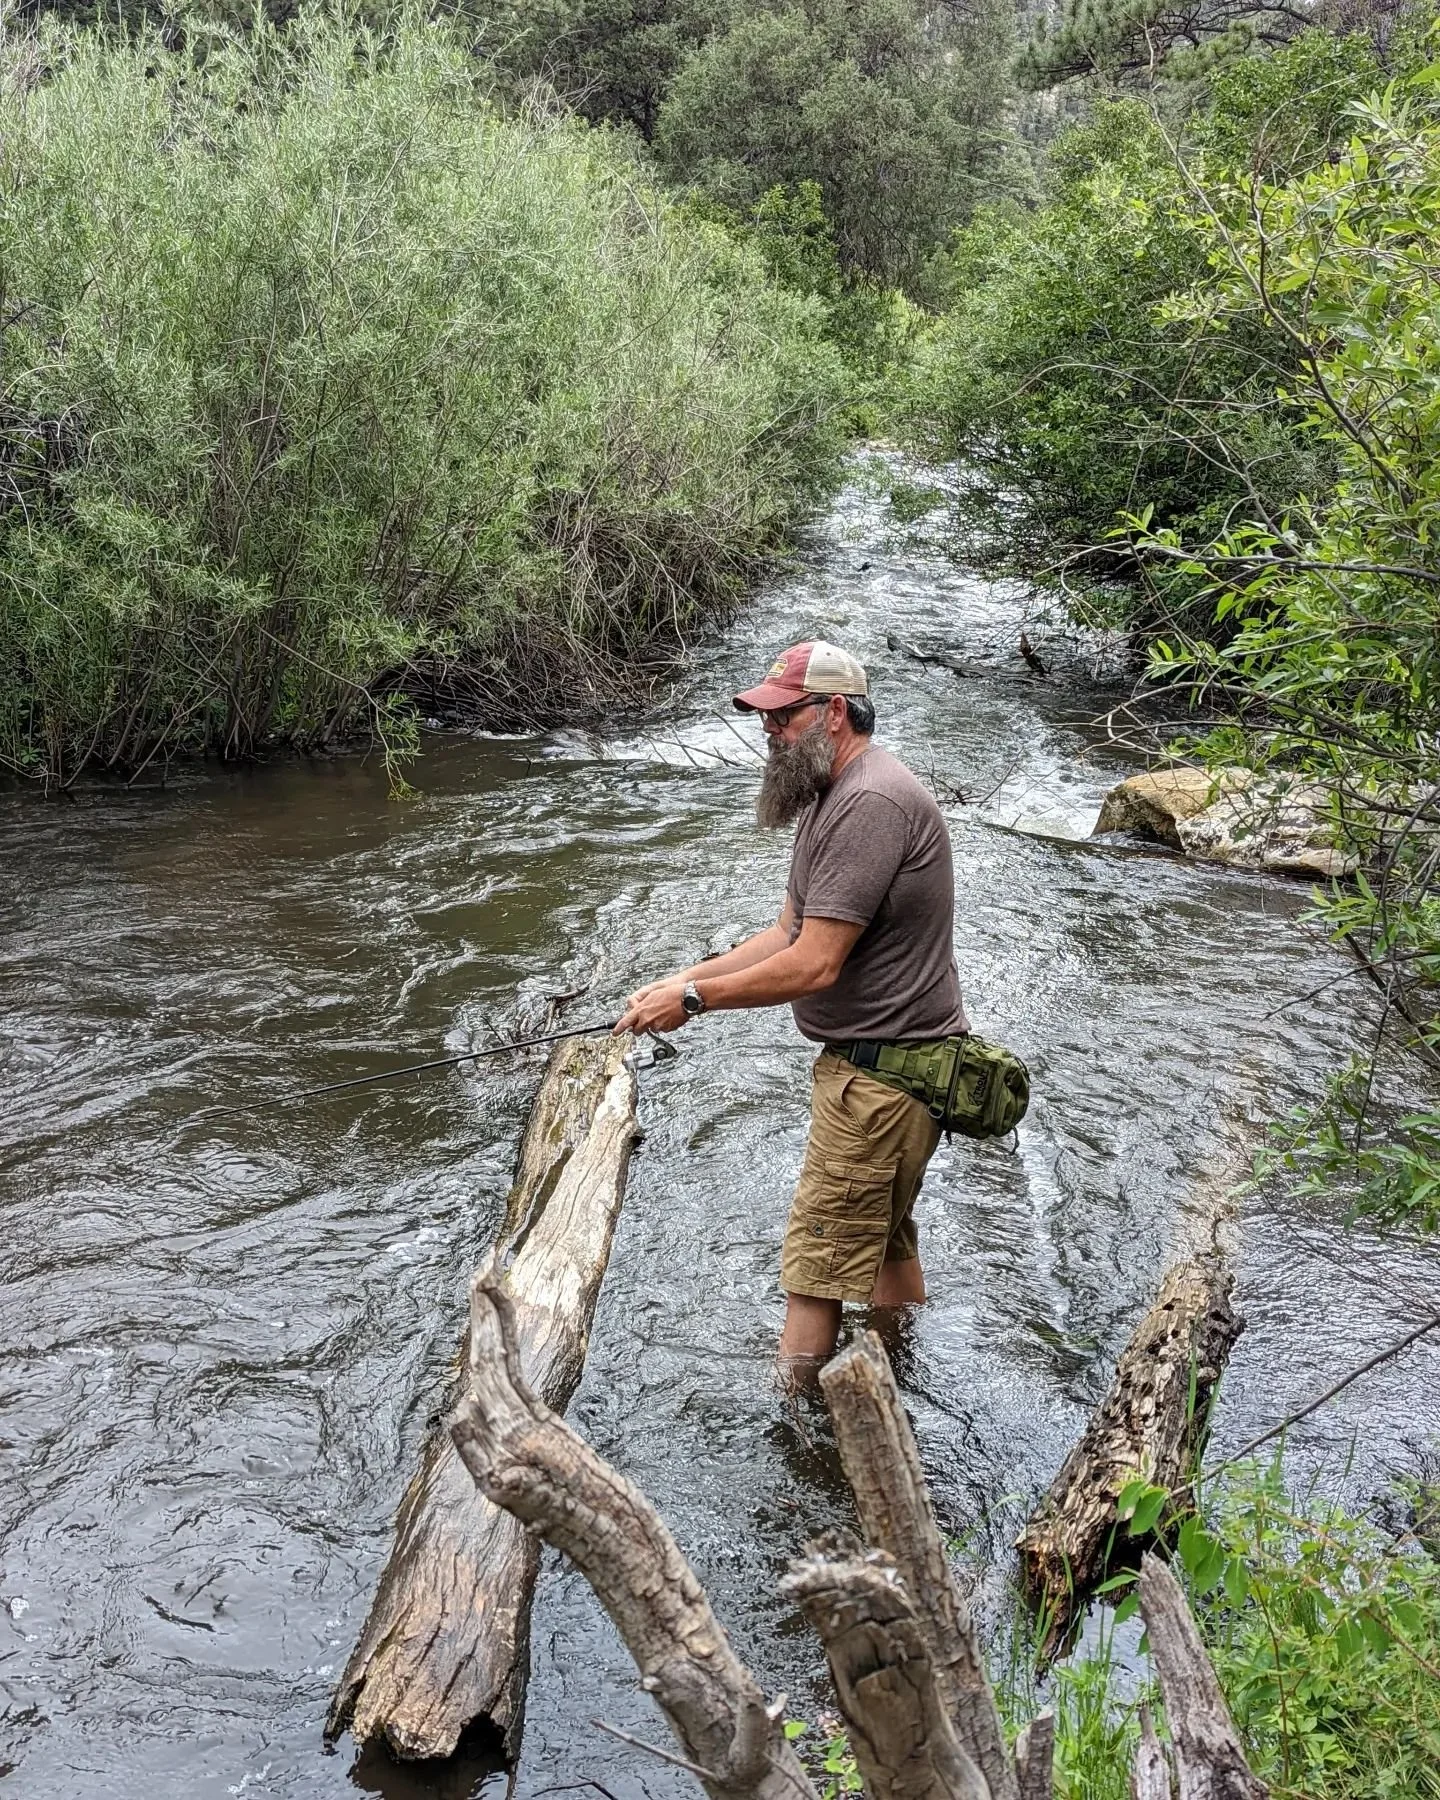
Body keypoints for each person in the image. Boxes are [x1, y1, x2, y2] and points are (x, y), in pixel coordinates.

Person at [615, 640, 968, 1366]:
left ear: (834, 712)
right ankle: (895, 1374)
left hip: (884, 1085)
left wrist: (693, 998)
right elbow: (786, 932)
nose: (769, 732)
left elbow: (813, 963)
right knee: (883, 1253)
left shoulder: (869, 802)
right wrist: (682, 975)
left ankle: (798, 1426)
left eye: (782, 717)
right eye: (764, 718)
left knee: (813, 1278)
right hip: (892, 1074)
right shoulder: (833, 793)